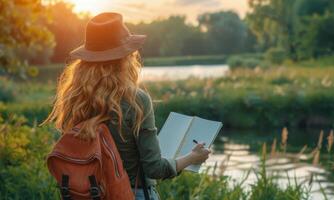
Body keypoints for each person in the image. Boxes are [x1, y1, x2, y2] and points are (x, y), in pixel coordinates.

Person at [42, 12, 211, 200]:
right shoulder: (136, 100)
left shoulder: (76, 99)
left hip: (91, 194)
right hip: (133, 194)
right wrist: (191, 158)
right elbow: (155, 168)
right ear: (126, 57)